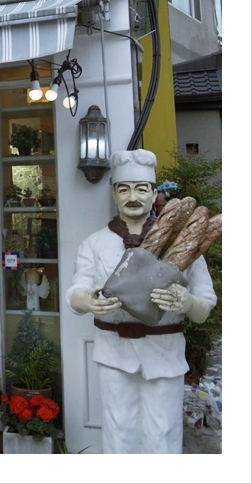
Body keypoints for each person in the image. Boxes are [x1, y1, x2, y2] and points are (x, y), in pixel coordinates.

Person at [66, 149, 217, 453]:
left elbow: (205, 306)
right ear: (114, 194)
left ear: (153, 192)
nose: (132, 197)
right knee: (118, 431)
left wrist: (187, 302)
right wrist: (88, 301)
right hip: (114, 353)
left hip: (164, 353)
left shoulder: (182, 244)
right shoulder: (94, 244)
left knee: (163, 432)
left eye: (141, 189)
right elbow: (75, 292)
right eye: (124, 189)